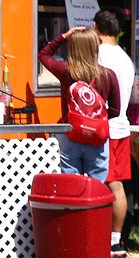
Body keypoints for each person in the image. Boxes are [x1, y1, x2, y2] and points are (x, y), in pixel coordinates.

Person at [39, 26, 120, 181]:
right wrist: (94, 121)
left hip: (71, 135)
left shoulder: (65, 71)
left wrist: (63, 37)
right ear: (95, 47)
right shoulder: (109, 75)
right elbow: (116, 111)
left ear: (73, 47)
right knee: (96, 189)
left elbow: (43, 54)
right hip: (97, 138)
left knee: (71, 187)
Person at [94, 8, 135, 258]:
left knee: (99, 182)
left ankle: (99, 236)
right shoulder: (125, 58)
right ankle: (115, 242)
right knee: (116, 184)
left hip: (103, 127)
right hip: (122, 126)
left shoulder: (98, 55)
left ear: (96, 27)